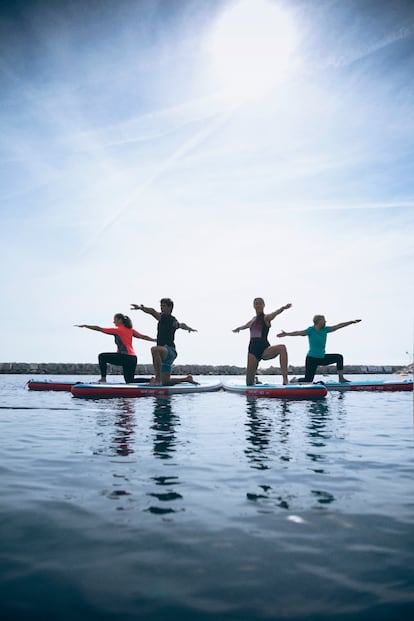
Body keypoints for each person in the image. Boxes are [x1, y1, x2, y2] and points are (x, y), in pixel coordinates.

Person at [130, 298, 198, 386]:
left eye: (164, 306)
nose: (161, 308)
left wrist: (141, 308)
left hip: (168, 351)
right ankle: (187, 379)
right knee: (166, 382)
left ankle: (157, 379)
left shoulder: (164, 317)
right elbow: (182, 325)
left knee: (154, 349)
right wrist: (189, 328)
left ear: (170, 307)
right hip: (169, 354)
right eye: (161, 306)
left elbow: (152, 312)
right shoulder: (174, 320)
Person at [277, 315, 362, 383]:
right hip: (311, 359)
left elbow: (338, 326)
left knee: (339, 357)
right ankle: (295, 380)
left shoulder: (325, 329)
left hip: (322, 358)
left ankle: (341, 378)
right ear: (318, 321)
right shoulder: (311, 330)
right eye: (324, 320)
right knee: (308, 380)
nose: (325, 321)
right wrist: (286, 334)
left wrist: (351, 322)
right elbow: (298, 333)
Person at [75, 313, 156, 383]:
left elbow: (99, 329)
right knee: (130, 380)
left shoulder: (118, 330)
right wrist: (155, 340)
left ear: (120, 320)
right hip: (133, 358)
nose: (114, 322)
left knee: (102, 356)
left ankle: (103, 378)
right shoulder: (131, 330)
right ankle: (151, 380)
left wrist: (86, 326)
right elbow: (143, 336)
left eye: (115, 320)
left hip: (125, 357)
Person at [233, 298, 292, 386]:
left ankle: (285, 380)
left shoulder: (266, 317)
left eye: (260, 303)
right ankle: (255, 380)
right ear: (253, 306)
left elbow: (274, 314)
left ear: (264, 305)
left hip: (264, 349)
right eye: (256, 304)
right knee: (249, 383)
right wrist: (239, 328)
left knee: (282, 348)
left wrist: (283, 308)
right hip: (252, 350)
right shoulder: (253, 319)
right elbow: (246, 325)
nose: (258, 305)